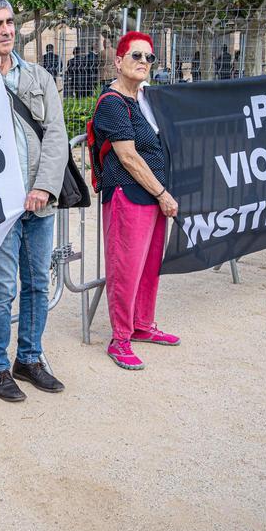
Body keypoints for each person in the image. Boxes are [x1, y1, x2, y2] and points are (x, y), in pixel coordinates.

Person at [0, 0, 68, 402]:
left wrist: (44, 186)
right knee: (2, 288)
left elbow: (57, 134)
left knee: (38, 284)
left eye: (10, 21)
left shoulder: (39, 77)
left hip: (39, 201)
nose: (7, 30)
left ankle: (29, 358)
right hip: (0, 208)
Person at [92, 31, 180, 371]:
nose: (143, 62)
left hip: (154, 197)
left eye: (149, 58)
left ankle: (142, 325)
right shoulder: (113, 102)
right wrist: (162, 193)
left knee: (148, 266)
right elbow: (128, 157)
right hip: (129, 194)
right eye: (136, 56)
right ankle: (121, 339)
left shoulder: (144, 98)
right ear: (118, 61)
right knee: (126, 268)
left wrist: (160, 195)